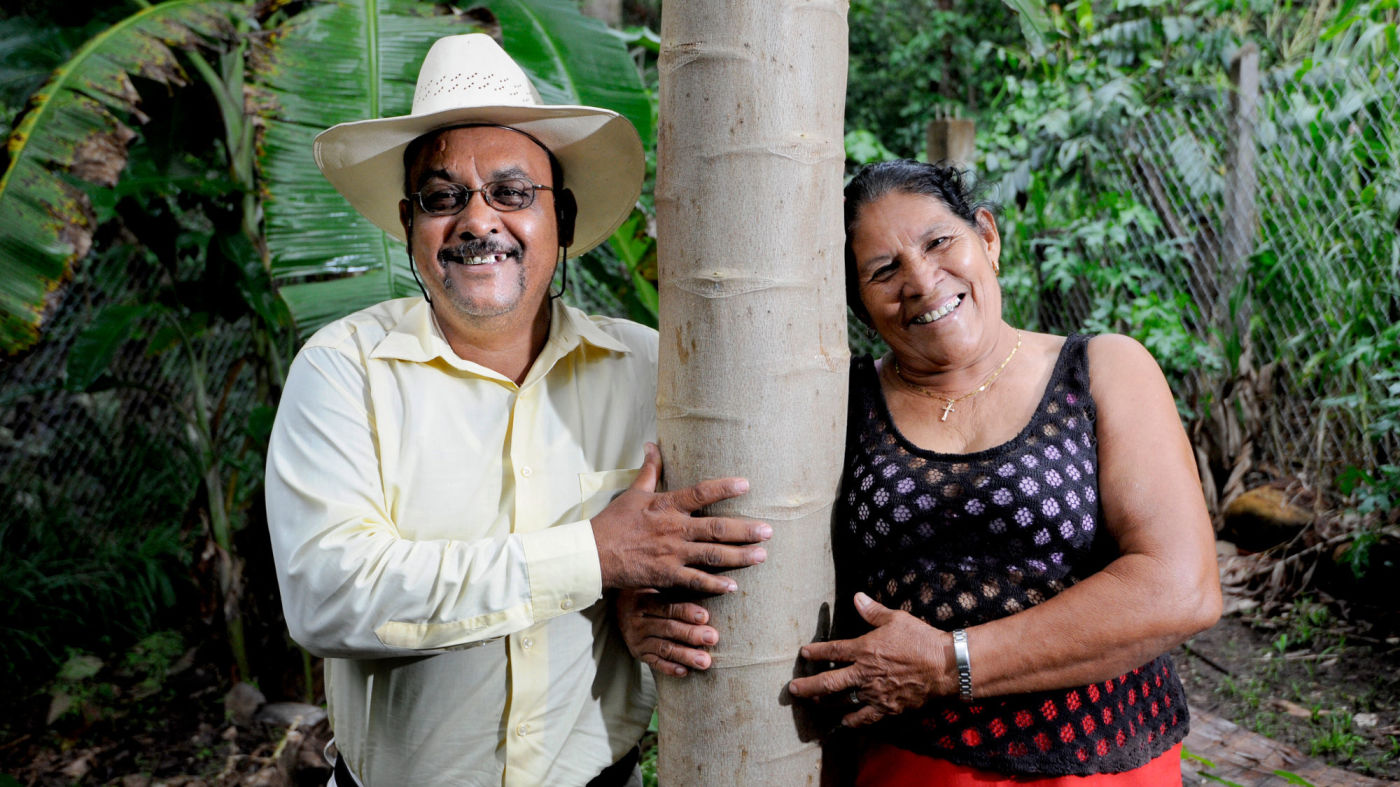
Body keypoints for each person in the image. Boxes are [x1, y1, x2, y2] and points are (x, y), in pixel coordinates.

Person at [266, 34, 772, 787]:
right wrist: (592, 557)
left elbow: (681, 552)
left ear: (560, 218)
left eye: (511, 192)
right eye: (444, 198)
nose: (477, 220)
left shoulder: (647, 369)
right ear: (410, 223)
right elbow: (330, 594)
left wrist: (636, 603)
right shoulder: (344, 371)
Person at [620, 159, 1221, 784]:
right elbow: (740, 534)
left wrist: (946, 661)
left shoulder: (1103, 370)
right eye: (884, 270)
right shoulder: (836, 404)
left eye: (940, 242)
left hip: (1099, 757)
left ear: (987, 236)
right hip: (907, 764)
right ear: (857, 302)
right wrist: (643, 607)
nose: (922, 281)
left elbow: (1182, 588)